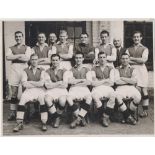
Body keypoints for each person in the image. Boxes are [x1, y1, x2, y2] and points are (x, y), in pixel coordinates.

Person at [13, 54, 48, 132]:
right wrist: (36, 83)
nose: (34, 61)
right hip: (29, 90)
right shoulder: (25, 70)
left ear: (38, 60)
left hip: (40, 90)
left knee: (42, 100)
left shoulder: (42, 70)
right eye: (32, 59)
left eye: (35, 59)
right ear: (30, 61)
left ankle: (44, 122)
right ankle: (19, 123)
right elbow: (24, 83)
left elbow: (42, 84)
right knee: (22, 100)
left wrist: (30, 82)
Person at [6, 31, 32, 121]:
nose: (18, 38)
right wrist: (21, 55)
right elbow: (8, 57)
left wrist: (15, 56)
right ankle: (13, 113)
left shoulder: (27, 48)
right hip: (14, 70)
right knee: (14, 93)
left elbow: (27, 58)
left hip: (24, 69)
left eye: (20, 36)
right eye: (16, 36)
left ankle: (26, 113)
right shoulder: (11, 47)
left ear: (22, 37)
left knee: (25, 92)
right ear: (15, 37)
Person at [126, 31, 149, 118]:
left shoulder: (145, 48)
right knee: (135, 90)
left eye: (138, 37)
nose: (136, 38)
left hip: (142, 70)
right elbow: (126, 60)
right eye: (134, 37)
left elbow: (143, 60)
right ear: (132, 38)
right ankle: (133, 111)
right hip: (132, 70)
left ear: (141, 38)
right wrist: (138, 60)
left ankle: (145, 111)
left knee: (144, 90)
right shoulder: (129, 49)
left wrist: (131, 58)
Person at [66, 52, 92, 129]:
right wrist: (82, 80)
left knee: (89, 98)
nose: (78, 59)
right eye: (77, 58)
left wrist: (76, 81)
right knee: (68, 98)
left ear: (83, 59)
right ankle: (81, 117)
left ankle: (77, 119)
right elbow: (70, 82)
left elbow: (89, 82)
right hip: (73, 89)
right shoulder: (71, 69)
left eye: (80, 58)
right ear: (75, 59)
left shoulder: (87, 69)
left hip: (84, 89)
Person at [115, 53, 141, 125]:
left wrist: (122, 78)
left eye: (126, 58)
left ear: (129, 59)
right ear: (120, 60)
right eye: (123, 58)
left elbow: (134, 81)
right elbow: (117, 82)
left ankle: (126, 114)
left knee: (138, 97)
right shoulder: (116, 69)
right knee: (118, 97)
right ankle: (129, 117)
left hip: (131, 87)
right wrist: (129, 80)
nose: (125, 60)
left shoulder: (133, 69)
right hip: (120, 88)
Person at [91, 52, 115, 127]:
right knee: (95, 96)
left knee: (113, 95)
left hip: (108, 88)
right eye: (100, 57)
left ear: (106, 58)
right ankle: (104, 116)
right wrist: (105, 80)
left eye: (104, 57)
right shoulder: (93, 68)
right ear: (98, 58)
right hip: (97, 88)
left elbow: (111, 83)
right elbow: (93, 83)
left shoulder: (111, 68)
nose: (102, 59)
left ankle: (105, 115)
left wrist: (99, 81)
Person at [44, 54, 68, 128]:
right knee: (47, 100)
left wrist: (53, 84)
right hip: (51, 90)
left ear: (60, 60)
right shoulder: (47, 71)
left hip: (62, 90)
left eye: (57, 60)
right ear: (51, 61)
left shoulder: (64, 70)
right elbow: (47, 85)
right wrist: (58, 83)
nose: (55, 62)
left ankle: (56, 116)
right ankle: (56, 117)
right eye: (53, 60)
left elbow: (65, 85)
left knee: (62, 101)